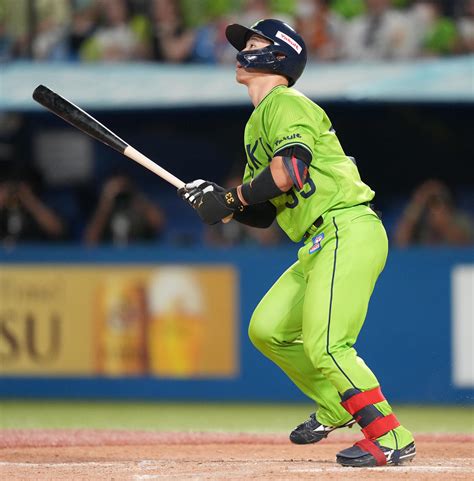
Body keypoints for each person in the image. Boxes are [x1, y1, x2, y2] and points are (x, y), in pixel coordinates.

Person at [179, 19, 416, 467]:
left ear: (278, 55)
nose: (242, 51)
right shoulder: (257, 124)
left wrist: (231, 197)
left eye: (252, 44)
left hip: (345, 226)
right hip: (316, 241)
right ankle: (335, 404)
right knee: (267, 329)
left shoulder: (285, 102)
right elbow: (265, 210)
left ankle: (391, 436)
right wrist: (220, 204)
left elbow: (289, 172)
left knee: (327, 345)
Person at [84, 174, 165, 246]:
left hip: (140, 254)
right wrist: (106, 200)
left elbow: (159, 224)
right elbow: (90, 240)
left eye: (124, 187)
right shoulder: (106, 210)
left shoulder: (139, 205)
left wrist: (135, 196)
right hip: (110, 257)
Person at [394, 179, 473, 246]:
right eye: (429, 204)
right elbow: (400, 242)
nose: (434, 210)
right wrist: (418, 202)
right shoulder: (422, 224)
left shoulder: (462, 220)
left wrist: (444, 225)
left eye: (439, 202)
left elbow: (465, 246)